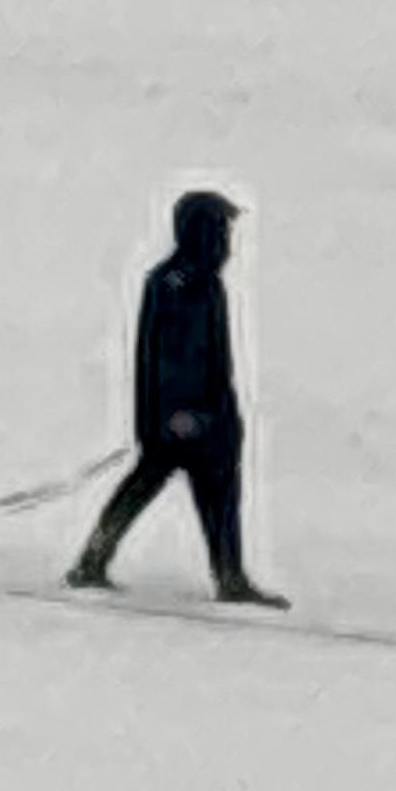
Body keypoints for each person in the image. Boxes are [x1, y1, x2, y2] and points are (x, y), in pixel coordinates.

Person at [67, 189, 284, 605]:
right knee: (145, 487)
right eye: (220, 230)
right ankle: (92, 561)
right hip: (178, 419)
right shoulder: (173, 284)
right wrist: (178, 413)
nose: (227, 242)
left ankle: (230, 577)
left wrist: (221, 414)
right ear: (199, 232)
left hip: (210, 417)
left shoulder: (206, 283)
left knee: (216, 497)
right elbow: (165, 358)